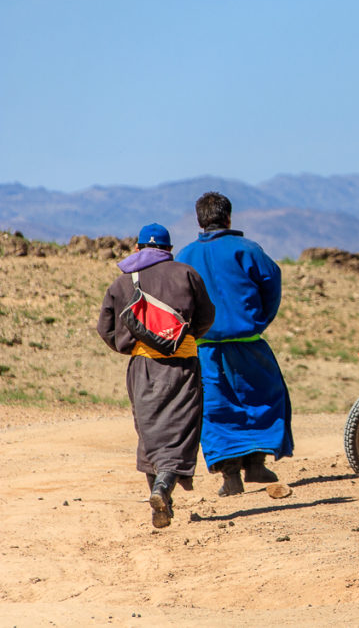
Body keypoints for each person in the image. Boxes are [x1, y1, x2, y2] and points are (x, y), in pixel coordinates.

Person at [97, 223, 215, 528]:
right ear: (168, 250)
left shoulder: (122, 283)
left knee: (150, 432)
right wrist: (181, 338)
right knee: (181, 429)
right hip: (183, 364)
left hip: (143, 368)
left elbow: (106, 329)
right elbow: (206, 317)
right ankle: (164, 486)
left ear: (137, 249)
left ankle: (159, 499)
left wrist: (132, 346)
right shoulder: (186, 274)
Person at [177, 192, 294, 496]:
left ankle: (234, 474)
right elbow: (272, 284)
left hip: (205, 350)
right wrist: (259, 320)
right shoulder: (249, 250)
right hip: (249, 346)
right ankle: (255, 462)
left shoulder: (185, 256)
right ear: (228, 217)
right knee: (262, 399)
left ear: (200, 221)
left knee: (216, 409)